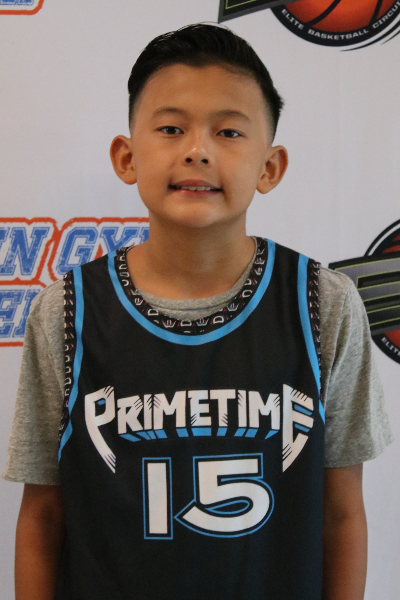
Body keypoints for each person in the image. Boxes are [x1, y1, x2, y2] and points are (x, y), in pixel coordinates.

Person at [2, 23, 392, 600]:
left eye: (229, 131)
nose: (197, 150)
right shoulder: (66, 311)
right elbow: (42, 515)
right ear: (127, 157)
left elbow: (341, 512)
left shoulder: (322, 304)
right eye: (171, 128)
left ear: (269, 167)